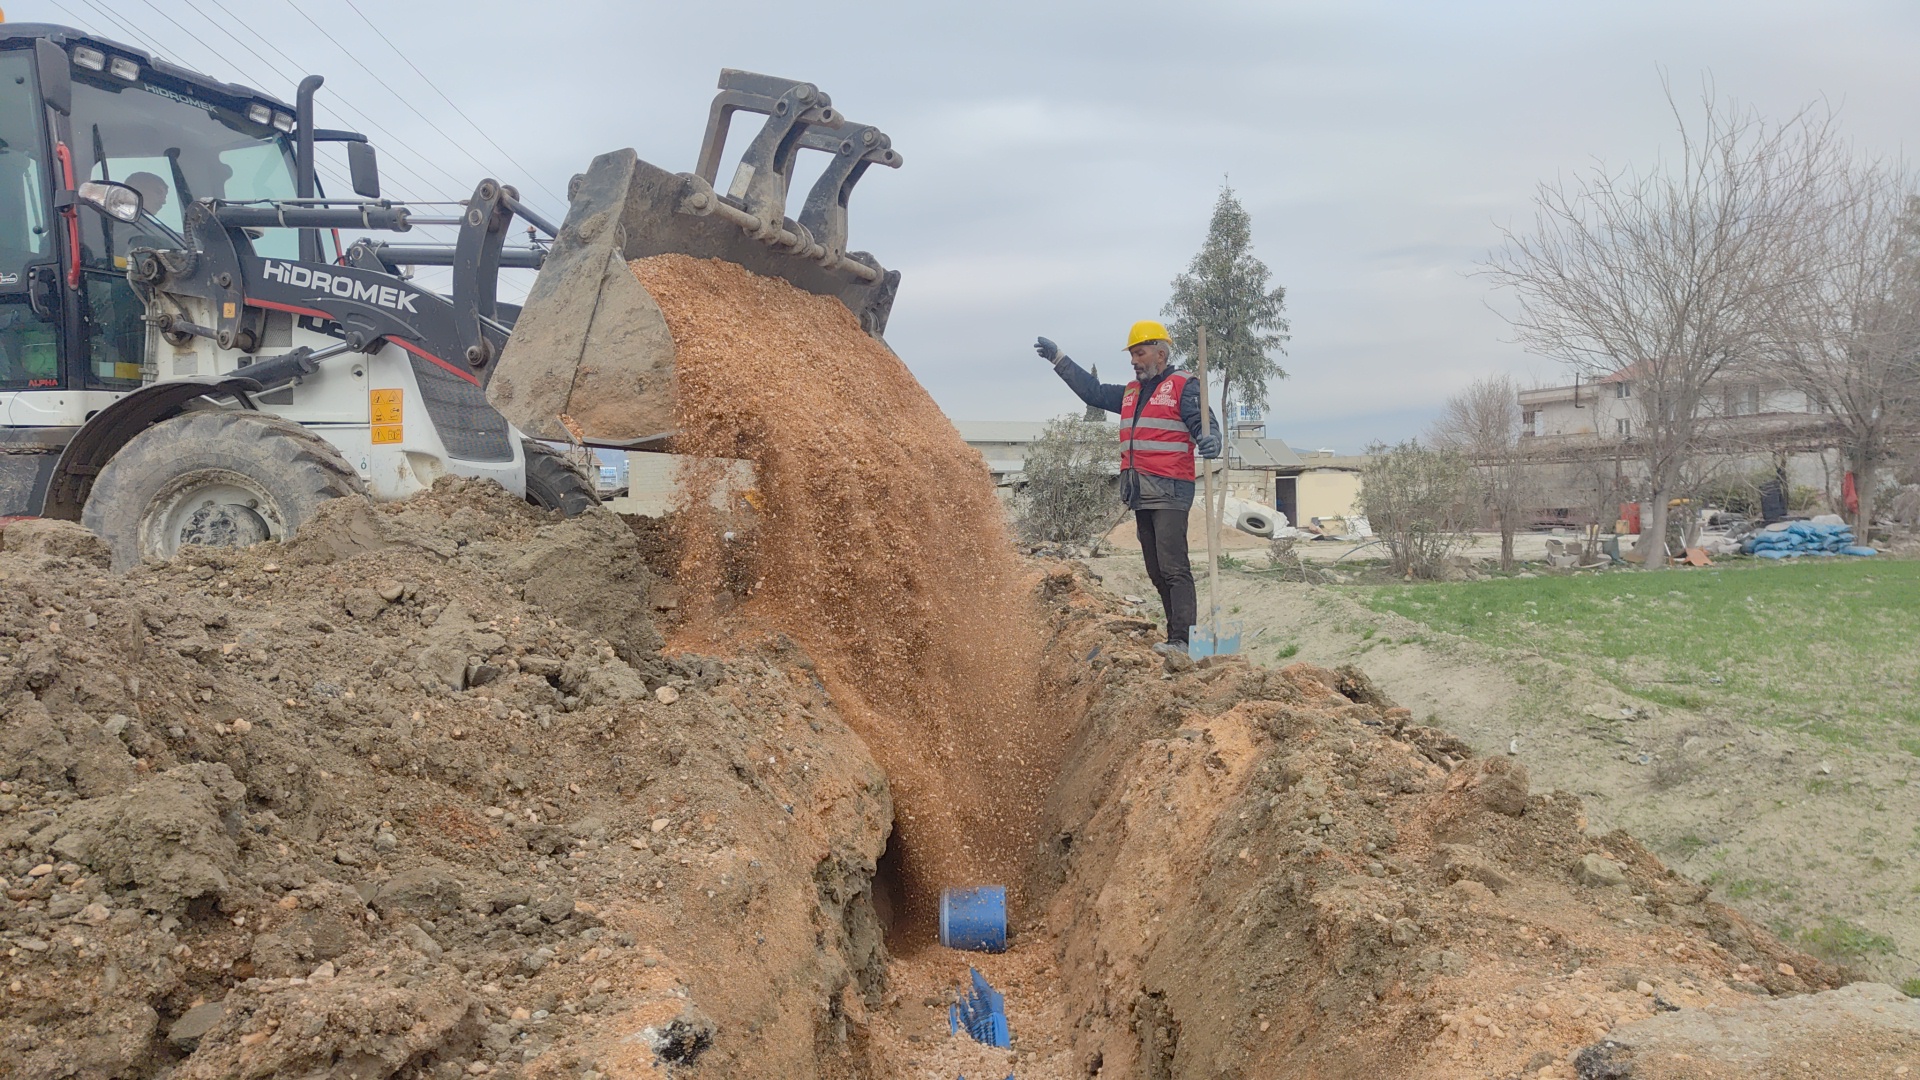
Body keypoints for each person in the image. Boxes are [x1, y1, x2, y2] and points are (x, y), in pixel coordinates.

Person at [1036, 320, 1220, 655]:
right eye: (1132, 354)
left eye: (1140, 352)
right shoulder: (1130, 394)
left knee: (1174, 567)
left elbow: (1204, 424)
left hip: (1171, 491)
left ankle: (1183, 641)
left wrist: (1212, 440)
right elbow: (1092, 391)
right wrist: (1059, 359)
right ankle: (1176, 637)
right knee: (1156, 570)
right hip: (1141, 493)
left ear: (1160, 354)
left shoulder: (1184, 386)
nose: (1134, 360)